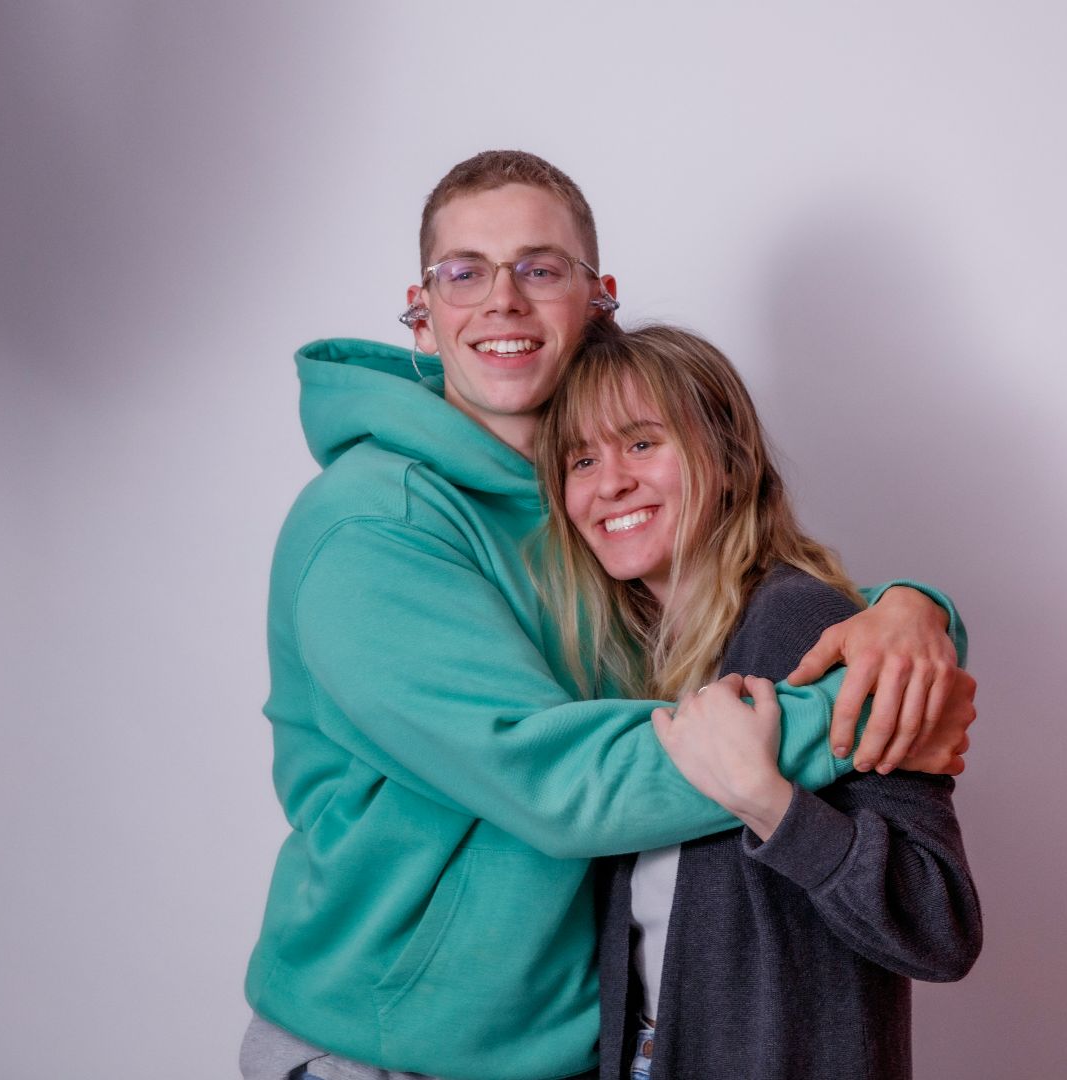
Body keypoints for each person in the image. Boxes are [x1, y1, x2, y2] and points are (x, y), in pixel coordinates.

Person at [241, 151, 977, 1080]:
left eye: (539, 268)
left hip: (570, 1050)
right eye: (463, 272)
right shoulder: (373, 525)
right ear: (422, 314)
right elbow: (550, 774)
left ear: (598, 302)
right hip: (390, 1051)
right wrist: (866, 713)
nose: (502, 299)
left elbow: (739, 597)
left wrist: (910, 616)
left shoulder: (589, 519)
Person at [535, 323, 982, 1080]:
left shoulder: (805, 627)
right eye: (582, 459)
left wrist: (770, 804)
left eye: (642, 443)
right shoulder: (623, 666)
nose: (609, 481)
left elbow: (940, 928)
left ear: (731, 462)